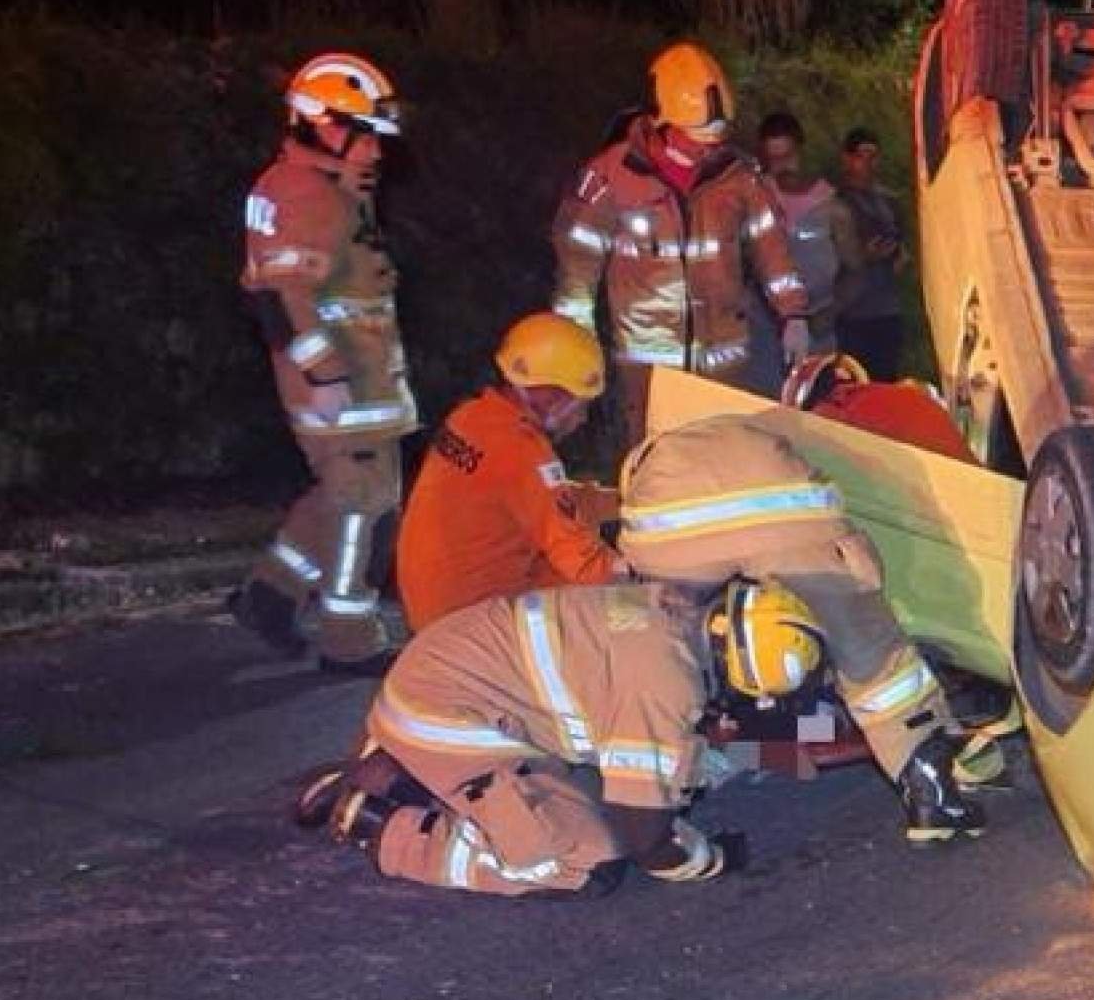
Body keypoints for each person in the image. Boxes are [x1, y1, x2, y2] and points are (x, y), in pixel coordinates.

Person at [295, 578, 823, 901]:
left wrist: (785, 745)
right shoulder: (665, 685)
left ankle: (401, 766)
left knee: (684, 773)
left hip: (448, 679)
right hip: (450, 713)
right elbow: (647, 840)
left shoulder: (676, 609)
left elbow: (699, 741)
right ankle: (387, 825)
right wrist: (708, 858)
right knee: (586, 859)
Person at [615, 396, 985, 842]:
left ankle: (663, 791)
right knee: (875, 657)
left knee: (667, 650)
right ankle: (933, 795)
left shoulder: (659, 457)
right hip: (785, 514)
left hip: (666, 531)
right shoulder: (789, 433)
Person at [230, 51, 418, 668]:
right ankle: (349, 638)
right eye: (363, 135)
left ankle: (272, 594)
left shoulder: (324, 190)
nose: (376, 150)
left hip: (360, 382)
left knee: (344, 496)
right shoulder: (304, 194)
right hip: (342, 387)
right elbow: (280, 299)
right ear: (323, 123)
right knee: (361, 509)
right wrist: (326, 375)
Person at [549, 42, 817, 454]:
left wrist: (794, 315)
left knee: (720, 467)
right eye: (698, 137)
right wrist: (575, 351)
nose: (709, 146)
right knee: (650, 466)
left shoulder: (738, 178)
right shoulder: (610, 178)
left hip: (722, 369)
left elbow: (772, 251)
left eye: (717, 136)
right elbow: (576, 269)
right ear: (663, 124)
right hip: (648, 373)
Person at [392, 313, 625, 630]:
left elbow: (538, 499)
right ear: (553, 397)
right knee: (620, 607)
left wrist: (622, 502)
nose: (582, 419)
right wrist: (644, 579)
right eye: (582, 405)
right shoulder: (525, 453)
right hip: (473, 624)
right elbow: (585, 565)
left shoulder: (471, 418)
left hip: (433, 607)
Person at [756, 111, 844, 363]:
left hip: (819, 331)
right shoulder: (755, 198)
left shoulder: (832, 206)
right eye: (773, 159)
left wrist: (828, 315)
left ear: (802, 149)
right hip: (767, 330)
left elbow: (855, 271)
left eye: (788, 156)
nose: (782, 166)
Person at [830, 127, 910, 378]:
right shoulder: (836, 203)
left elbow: (900, 241)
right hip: (852, 311)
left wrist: (898, 256)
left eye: (873, 156)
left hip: (885, 309)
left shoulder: (888, 201)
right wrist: (865, 256)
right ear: (847, 158)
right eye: (861, 156)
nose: (867, 164)